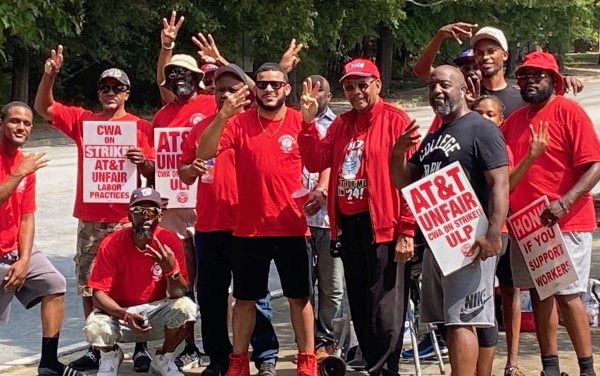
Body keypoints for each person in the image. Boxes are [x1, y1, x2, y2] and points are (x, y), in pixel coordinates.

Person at [33, 45, 156, 372]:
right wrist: (50, 75)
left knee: (131, 284)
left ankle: (140, 345)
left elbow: (158, 174)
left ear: (127, 93)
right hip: (91, 218)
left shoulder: (141, 127)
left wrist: (144, 163)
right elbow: (43, 108)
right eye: (105, 87)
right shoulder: (84, 121)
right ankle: (100, 347)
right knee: (89, 285)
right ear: (98, 92)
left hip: (129, 219)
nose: (110, 92)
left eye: (117, 87)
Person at [196, 62, 317, 376]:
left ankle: (307, 360)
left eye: (276, 85)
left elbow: (323, 159)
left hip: (292, 226)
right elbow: (204, 150)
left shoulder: (297, 118)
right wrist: (223, 114)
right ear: (255, 89)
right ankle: (238, 361)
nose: (269, 90)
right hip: (250, 229)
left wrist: (322, 191)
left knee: (299, 297)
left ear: (286, 89)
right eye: (262, 84)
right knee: (245, 299)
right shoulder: (239, 123)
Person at [390, 65, 509, 376]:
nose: (436, 91)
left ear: (462, 90)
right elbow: (404, 182)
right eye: (432, 86)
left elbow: (500, 182)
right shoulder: (433, 138)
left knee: (461, 320)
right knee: (447, 321)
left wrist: (493, 234)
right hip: (437, 243)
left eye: (444, 84)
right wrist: (397, 154)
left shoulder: (481, 129)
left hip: (470, 241)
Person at [299, 58, 416, 376]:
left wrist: (407, 230)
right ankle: (373, 365)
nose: (356, 92)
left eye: (363, 85)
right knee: (361, 305)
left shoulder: (395, 120)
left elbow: (411, 178)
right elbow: (314, 161)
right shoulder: (340, 124)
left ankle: (386, 368)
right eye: (349, 86)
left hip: (384, 225)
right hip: (349, 227)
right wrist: (308, 124)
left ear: (377, 85)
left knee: (383, 307)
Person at [501, 51, 600, 376]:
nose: (531, 80)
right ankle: (551, 368)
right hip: (527, 226)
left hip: (567, 221)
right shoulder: (513, 122)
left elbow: (595, 165)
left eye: (539, 75)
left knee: (568, 295)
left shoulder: (569, 112)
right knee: (540, 295)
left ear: (554, 81)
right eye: (526, 75)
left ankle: (586, 368)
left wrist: (565, 202)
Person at [178, 63, 280, 376]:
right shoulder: (201, 128)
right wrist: (189, 171)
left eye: (232, 88)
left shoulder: (255, 125)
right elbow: (183, 171)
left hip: (247, 226)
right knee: (211, 297)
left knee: (253, 295)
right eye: (219, 88)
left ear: (245, 93)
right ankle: (219, 358)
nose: (224, 94)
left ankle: (264, 355)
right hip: (209, 225)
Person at [0, 101, 83, 376]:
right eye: (14, 121)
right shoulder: (19, 167)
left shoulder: (24, 162)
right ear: (1, 124)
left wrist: (24, 259)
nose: (20, 127)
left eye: (25, 123)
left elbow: (27, 217)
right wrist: (18, 174)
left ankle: (48, 363)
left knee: (54, 284)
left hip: (16, 249)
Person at [83, 187, 197, 376]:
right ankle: (110, 355)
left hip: (155, 311)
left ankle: (163, 358)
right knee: (94, 325)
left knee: (187, 308)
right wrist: (126, 316)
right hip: (121, 314)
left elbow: (179, 293)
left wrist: (171, 270)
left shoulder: (170, 241)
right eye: (138, 211)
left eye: (151, 211)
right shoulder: (112, 243)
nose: (145, 217)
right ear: (129, 216)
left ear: (160, 216)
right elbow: (98, 294)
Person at [298, 75, 344, 359]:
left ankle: (328, 340)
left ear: (329, 94)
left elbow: (332, 163)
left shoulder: (338, 125)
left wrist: (323, 191)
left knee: (333, 286)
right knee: (303, 286)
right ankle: (308, 342)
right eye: (309, 89)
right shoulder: (294, 120)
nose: (315, 94)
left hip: (329, 219)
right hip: (298, 219)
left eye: (321, 89)